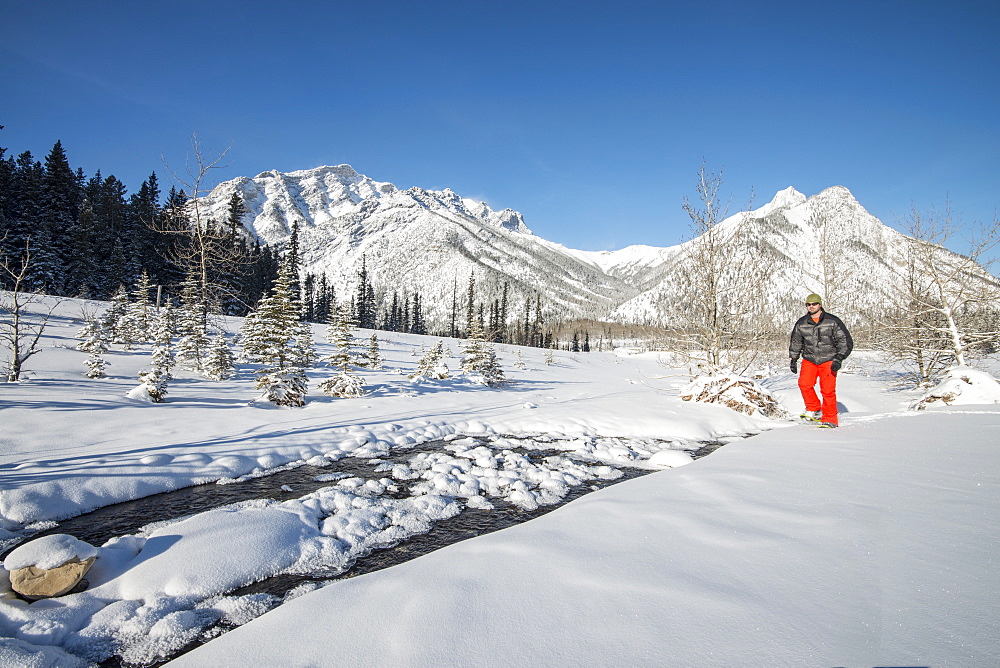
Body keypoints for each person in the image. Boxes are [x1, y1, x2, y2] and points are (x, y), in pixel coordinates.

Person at [789, 293, 853, 427]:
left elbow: (845, 341)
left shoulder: (832, 321)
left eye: (814, 304)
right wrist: (793, 359)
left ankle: (830, 419)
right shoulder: (802, 323)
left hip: (828, 359)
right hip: (810, 359)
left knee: (827, 390)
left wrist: (839, 358)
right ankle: (814, 408)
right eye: (808, 304)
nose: (811, 307)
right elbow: (796, 342)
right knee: (804, 384)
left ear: (820, 305)